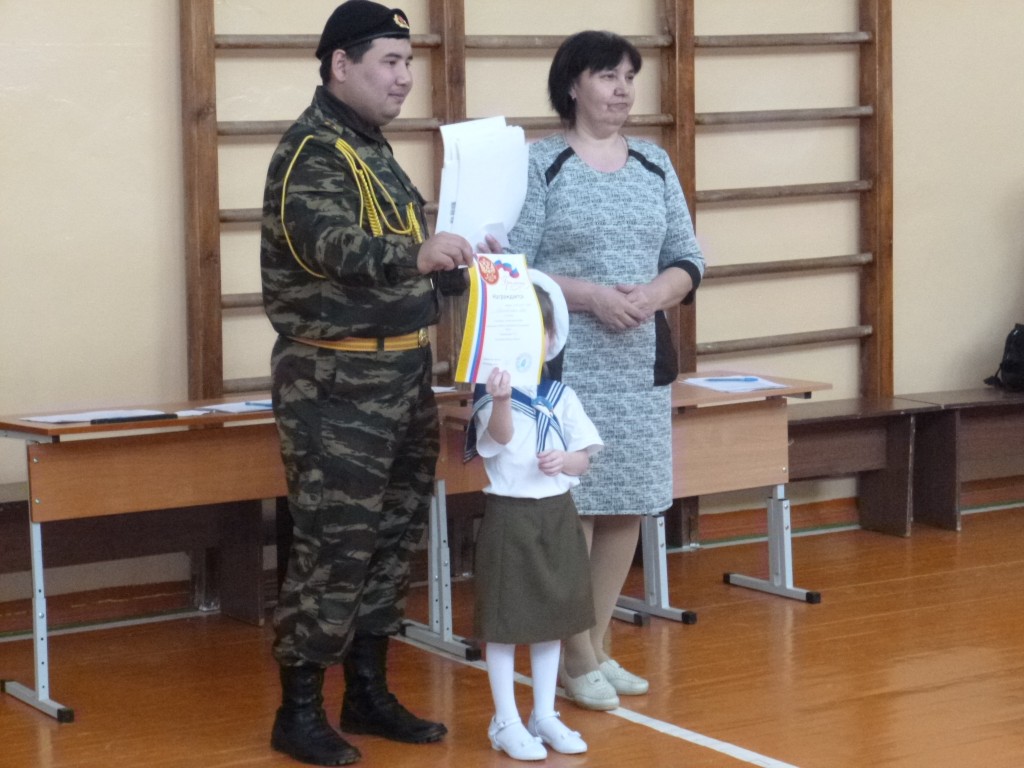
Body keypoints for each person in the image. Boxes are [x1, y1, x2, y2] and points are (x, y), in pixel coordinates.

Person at [259, 2, 475, 765]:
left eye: (408, 63)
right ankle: (298, 712)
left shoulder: (372, 149)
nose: (404, 77)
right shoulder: (311, 150)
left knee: (390, 540)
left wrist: (461, 263)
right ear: (339, 65)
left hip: (401, 375)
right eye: (390, 61)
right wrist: (416, 255)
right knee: (334, 546)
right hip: (335, 382)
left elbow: (408, 253)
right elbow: (329, 244)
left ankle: (367, 691)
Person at [504, 30, 706, 711]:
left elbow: (688, 256)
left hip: (639, 359)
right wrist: (590, 296)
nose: (622, 89)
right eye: (607, 76)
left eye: (628, 77)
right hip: (569, 362)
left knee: (628, 503)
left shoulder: (654, 161)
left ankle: (593, 647)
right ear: (572, 85)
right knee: (578, 507)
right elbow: (516, 264)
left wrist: (655, 293)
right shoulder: (542, 162)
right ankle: (576, 655)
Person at [467, 273, 603, 761]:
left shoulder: (562, 395)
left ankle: (544, 713)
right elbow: (500, 437)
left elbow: (585, 457)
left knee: (552, 618)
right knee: (505, 622)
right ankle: (504, 719)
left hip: (556, 515)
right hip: (511, 518)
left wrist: (566, 461)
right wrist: (502, 398)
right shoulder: (489, 397)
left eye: (538, 331)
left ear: (550, 337)